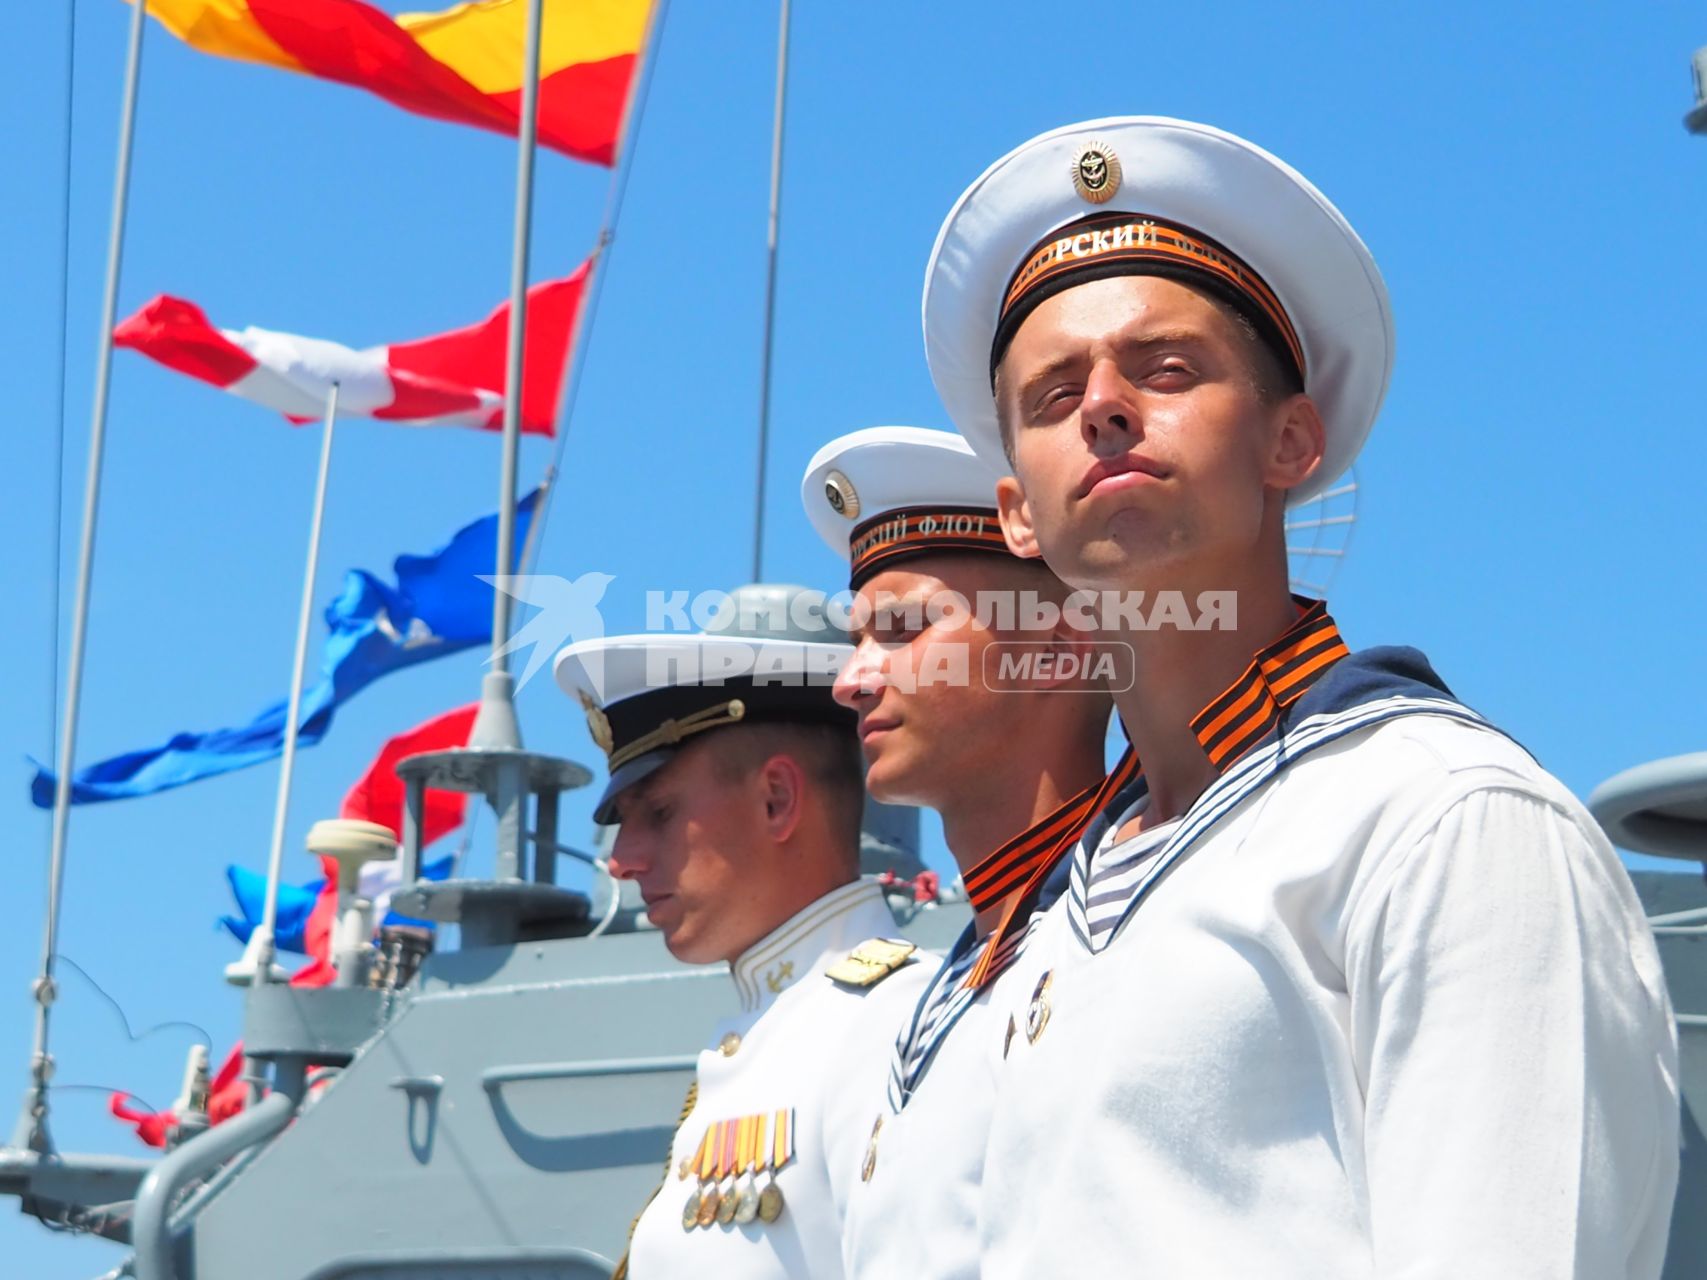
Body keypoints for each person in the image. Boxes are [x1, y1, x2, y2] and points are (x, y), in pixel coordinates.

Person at [920, 115, 1680, 1277]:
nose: (1105, 405)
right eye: (1054, 392)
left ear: (1292, 440)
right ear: (1019, 512)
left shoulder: (1437, 818)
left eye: (1165, 368)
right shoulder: (1056, 915)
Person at [800, 425, 1125, 1279]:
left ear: (1062, 649)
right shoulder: (929, 1000)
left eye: (904, 629)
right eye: (857, 640)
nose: (851, 679)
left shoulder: (1143, 938)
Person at [554, 621, 936, 1279]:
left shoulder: (895, 1025)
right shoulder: (777, 1032)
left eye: (659, 813)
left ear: (775, 800)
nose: (621, 859)